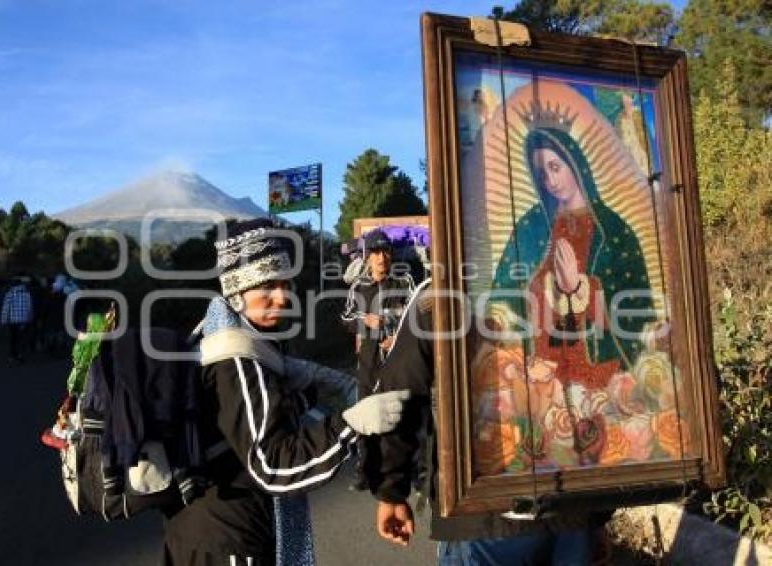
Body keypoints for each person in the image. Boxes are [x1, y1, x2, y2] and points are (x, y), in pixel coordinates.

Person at [162, 218, 410, 566]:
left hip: (214, 531)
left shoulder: (255, 344)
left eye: (283, 282)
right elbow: (271, 465)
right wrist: (350, 425)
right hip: (226, 538)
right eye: (266, 286)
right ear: (236, 291)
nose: (281, 297)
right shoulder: (235, 359)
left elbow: (276, 411)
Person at [368, 277, 606, 565]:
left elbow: (398, 392)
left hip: (488, 514)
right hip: (576, 505)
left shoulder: (443, 288)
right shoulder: (579, 280)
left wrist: (391, 489)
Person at [490, 127, 654, 388]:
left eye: (555, 167)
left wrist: (580, 289)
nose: (550, 181)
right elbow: (506, 289)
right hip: (538, 372)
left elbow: (634, 307)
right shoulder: (531, 226)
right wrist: (499, 317)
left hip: (597, 371)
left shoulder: (611, 229)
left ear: (575, 164)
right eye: (542, 173)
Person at [341, 229, 415, 490]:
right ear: (367, 256)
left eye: (385, 251)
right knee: (365, 414)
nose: (381, 257)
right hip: (369, 361)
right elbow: (346, 318)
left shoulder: (404, 282)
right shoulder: (358, 287)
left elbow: (416, 317)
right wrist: (365, 320)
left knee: (402, 413)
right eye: (375, 252)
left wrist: (399, 338)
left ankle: (406, 470)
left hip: (398, 360)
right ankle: (365, 471)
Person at [0, 276, 34, 364]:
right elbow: (29, 307)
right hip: (24, 319)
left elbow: (6, 308)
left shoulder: (10, 293)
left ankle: (12, 355)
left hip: (13, 320)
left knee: (13, 338)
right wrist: (30, 318)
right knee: (22, 338)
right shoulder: (27, 293)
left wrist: (4, 320)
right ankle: (20, 355)